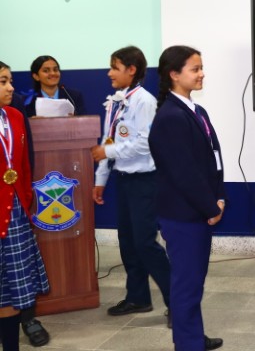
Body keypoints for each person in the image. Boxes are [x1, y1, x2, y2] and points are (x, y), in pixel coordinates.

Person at [148, 46, 224, 351]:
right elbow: (184, 173)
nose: (202, 73)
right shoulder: (170, 117)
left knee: (193, 283)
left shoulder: (196, 111)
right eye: (195, 69)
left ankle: (192, 337)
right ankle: (188, 344)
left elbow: (214, 158)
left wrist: (220, 197)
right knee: (186, 286)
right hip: (183, 215)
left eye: (201, 67)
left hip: (199, 209)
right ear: (174, 75)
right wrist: (210, 206)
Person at [90, 46, 171, 325]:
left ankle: (178, 303)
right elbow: (109, 139)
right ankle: (138, 297)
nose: (109, 73)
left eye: (115, 67)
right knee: (128, 243)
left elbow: (145, 143)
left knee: (145, 243)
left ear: (131, 69)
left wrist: (108, 152)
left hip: (144, 181)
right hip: (123, 180)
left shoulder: (144, 101)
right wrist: (101, 179)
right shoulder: (116, 101)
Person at [0, 61, 50, 351]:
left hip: (15, 212)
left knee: (11, 293)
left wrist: (25, 198)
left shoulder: (15, 116)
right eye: (3, 82)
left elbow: (24, 163)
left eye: (10, 81)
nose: (11, 88)